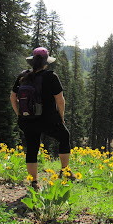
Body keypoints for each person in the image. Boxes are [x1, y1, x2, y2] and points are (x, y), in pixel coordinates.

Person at [10, 47, 75, 189]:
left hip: (28, 120)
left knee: (32, 148)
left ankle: (33, 182)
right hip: (48, 119)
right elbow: (60, 100)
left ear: (33, 61)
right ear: (46, 62)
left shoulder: (23, 76)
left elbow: (13, 97)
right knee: (64, 136)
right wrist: (61, 117)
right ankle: (64, 171)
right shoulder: (51, 76)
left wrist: (20, 115)